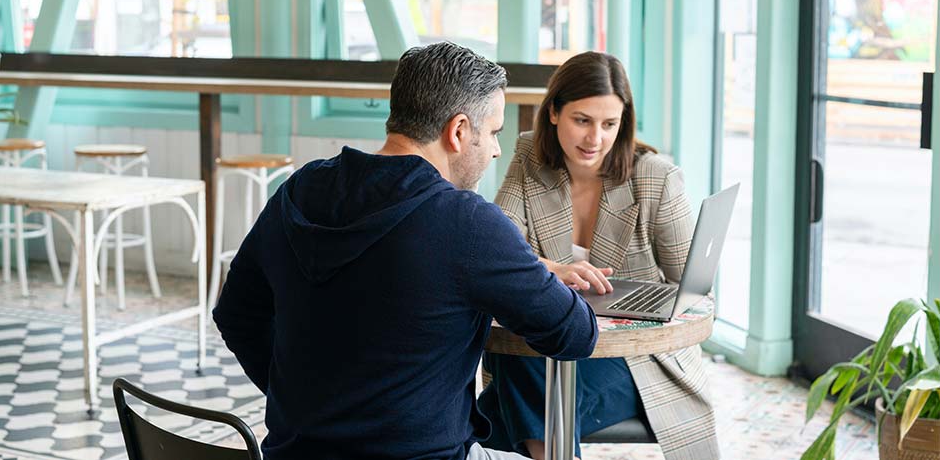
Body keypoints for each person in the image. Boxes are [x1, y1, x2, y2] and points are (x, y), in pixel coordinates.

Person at [212, 42, 599, 460]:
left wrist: (300, 404)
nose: (496, 149)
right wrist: (530, 269)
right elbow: (576, 334)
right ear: (459, 131)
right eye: (492, 132)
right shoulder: (467, 223)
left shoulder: (300, 190)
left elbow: (235, 313)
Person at [478, 51, 720, 460]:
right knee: (520, 363)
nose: (595, 139)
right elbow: (495, 252)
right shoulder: (528, 156)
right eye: (582, 121)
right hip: (552, 345)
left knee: (487, 412)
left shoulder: (657, 177)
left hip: (636, 360)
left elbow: (693, 292)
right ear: (553, 112)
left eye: (610, 124)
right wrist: (554, 270)